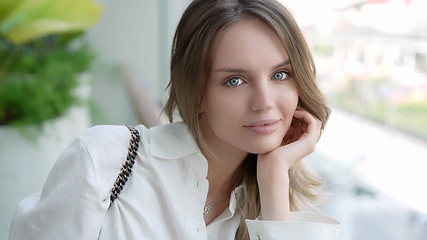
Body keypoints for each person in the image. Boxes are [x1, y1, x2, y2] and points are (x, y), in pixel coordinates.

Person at [9, 0, 341, 239]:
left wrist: (272, 175)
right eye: (234, 81)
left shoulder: (272, 202)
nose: (265, 103)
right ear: (196, 93)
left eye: (280, 74)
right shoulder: (104, 159)